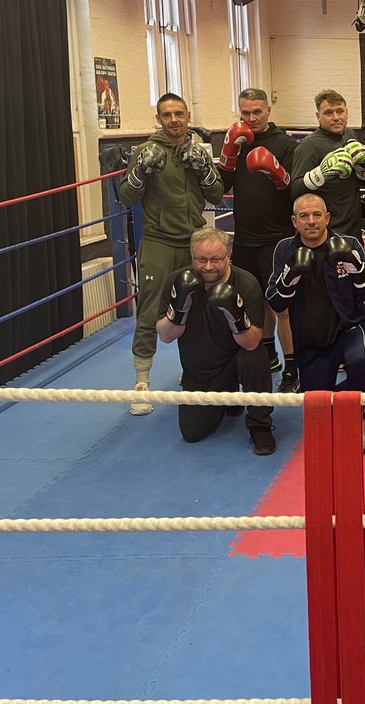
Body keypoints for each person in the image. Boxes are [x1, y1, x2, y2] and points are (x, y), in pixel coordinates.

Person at [117, 93, 224, 415]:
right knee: (150, 308)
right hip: (159, 241)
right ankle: (141, 383)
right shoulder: (146, 151)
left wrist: (205, 168)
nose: (174, 120)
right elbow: (125, 196)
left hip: (195, 241)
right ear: (159, 118)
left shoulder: (197, 150)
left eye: (179, 113)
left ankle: (199, 372)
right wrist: (140, 173)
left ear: (188, 115)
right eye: (167, 115)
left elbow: (217, 195)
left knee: (204, 307)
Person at [266, 193, 365, 451]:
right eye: (304, 216)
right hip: (310, 335)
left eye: (317, 214)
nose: (311, 221)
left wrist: (357, 267)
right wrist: (289, 279)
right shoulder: (285, 249)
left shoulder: (349, 243)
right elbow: (276, 303)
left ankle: (357, 420)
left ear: (327, 218)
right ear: (294, 221)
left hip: (350, 328)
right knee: (319, 410)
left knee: (358, 362)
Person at [155, 227, 275, 454]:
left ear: (228, 256)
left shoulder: (246, 283)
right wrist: (180, 309)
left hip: (236, 361)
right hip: (200, 371)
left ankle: (260, 426)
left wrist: (235, 316)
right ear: (192, 257)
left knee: (255, 357)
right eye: (201, 260)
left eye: (215, 260)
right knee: (192, 432)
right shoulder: (177, 281)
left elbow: (251, 342)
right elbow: (166, 336)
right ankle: (227, 399)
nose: (208, 267)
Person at [217, 88, 300, 391]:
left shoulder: (286, 145)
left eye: (257, 112)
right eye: (245, 113)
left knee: (283, 307)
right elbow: (221, 187)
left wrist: (276, 172)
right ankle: (267, 353)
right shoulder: (237, 142)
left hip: (278, 239)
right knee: (253, 303)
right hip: (244, 239)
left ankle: (292, 369)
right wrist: (228, 156)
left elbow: (295, 191)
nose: (251, 118)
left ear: (268, 111)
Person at [287, 89, 365, 239]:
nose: (336, 117)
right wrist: (320, 174)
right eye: (329, 113)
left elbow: (361, 178)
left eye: (340, 111)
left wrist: (363, 168)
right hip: (324, 233)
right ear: (318, 116)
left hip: (353, 228)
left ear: (347, 112)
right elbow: (294, 190)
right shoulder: (308, 146)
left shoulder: (350, 135)